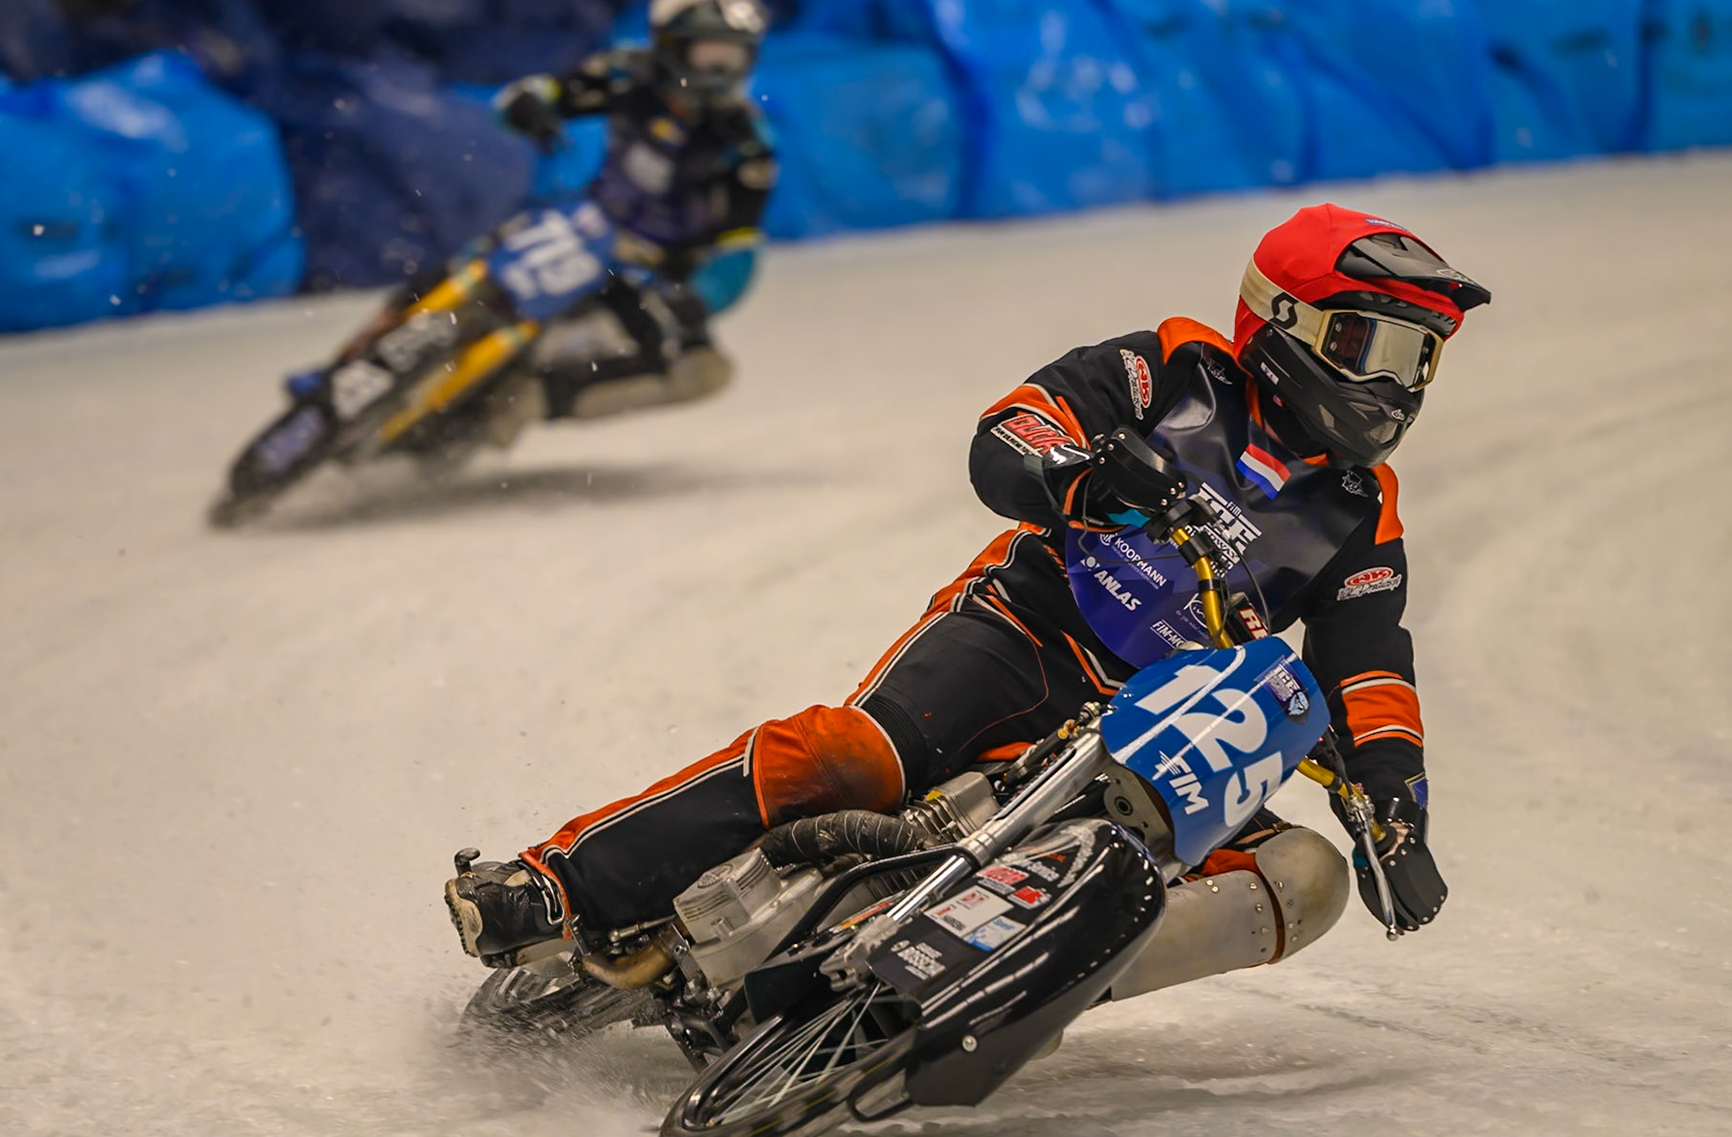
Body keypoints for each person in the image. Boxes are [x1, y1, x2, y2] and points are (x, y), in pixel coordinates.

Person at [448, 205, 1488, 991]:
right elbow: (1013, 432)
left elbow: (1369, 667)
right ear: (1284, 321)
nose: (1398, 387)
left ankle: (1020, 982)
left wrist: (1396, 811)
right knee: (857, 760)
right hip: (1027, 629)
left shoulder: (1366, 508)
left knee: (1303, 877)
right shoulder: (1172, 367)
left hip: (1172, 733)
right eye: (1373, 349)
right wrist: (1090, 477)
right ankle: (555, 883)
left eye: (1421, 360)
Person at [485, 0, 775, 424]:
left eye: (731, 57)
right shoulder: (627, 76)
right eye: (708, 55)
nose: (720, 72)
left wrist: (700, 298)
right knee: (481, 267)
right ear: (673, 46)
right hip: (582, 229)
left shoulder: (746, 141)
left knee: (698, 369)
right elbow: (540, 95)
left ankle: (523, 400)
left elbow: (739, 245)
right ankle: (388, 339)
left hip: (649, 272)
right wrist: (528, 107)